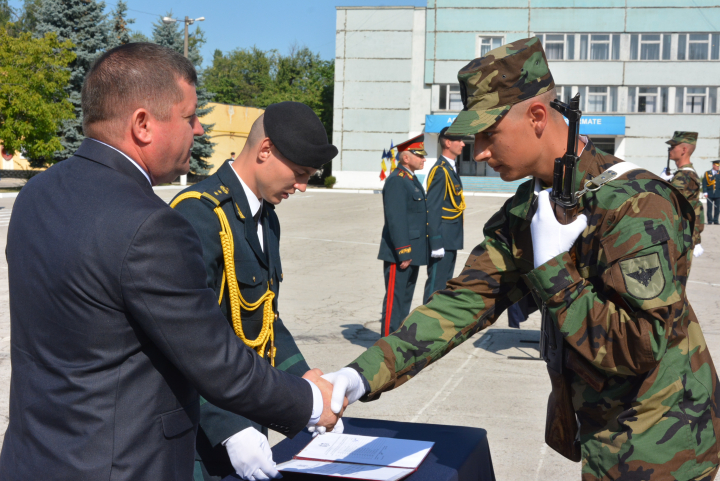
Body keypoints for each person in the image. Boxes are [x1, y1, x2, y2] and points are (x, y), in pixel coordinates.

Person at [320, 38, 720, 480]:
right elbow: (464, 301)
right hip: (603, 434)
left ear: (536, 117)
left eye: (489, 134)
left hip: (666, 443)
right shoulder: (529, 206)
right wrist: (358, 378)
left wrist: (554, 273)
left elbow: (639, 345)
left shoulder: (636, 204)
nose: (480, 152)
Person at [0, 43, 341, 481]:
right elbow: (213, 358)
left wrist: (297, 374)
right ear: (143, 124)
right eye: (188, 116)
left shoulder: (37, 195)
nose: (198, 130)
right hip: (120, 464)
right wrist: (310, 403)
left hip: (35, 458)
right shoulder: (150, 225)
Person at [172, 102, 338, 481]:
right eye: (299, 173)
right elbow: (184, 340)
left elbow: (265, 319)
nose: (302, 186)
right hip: (207, 431)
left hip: (252, 408)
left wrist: (304, 381)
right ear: (265, 150)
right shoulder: (198, 215)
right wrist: (230, 427)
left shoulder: (266, 218)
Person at [378, 134, 428, 337]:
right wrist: (403, 250)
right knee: (394, 301)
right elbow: (396, 218)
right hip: (400, 252)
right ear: (406, 158)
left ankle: (396, 340)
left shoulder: (411, 179)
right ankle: (386, 343)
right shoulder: (397, 181)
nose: (424, 159)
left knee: (405, 299)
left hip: (412, 250)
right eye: (420, 155)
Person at [423, 126, 466, 304]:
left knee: (444, 286)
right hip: (442, 240)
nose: (463, 144)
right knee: (436, 287)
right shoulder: (440, 170)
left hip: (451, 239)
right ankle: (424, 326)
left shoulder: (450, 168)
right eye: (460, 140)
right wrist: (436, 242)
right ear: (448, 143)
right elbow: (432, 208)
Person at [660, 131, 705, 261]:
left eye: (673, 147)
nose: (670, 150)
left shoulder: (684, 176)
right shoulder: (682, 175)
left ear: (684, 149)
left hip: (679, 238)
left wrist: (660, 183)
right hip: (680, 236)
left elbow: (666, 203)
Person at [703, 160, 720, 225]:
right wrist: (705, 192)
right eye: (717, 166)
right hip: (709, 193)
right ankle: (710, 220)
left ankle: (716, 220)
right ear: (713, 165)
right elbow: (704, 182)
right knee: (709, 208)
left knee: (717, 208)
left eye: (719, 166)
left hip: (718, 193)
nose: (718, 167)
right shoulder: (707, 173)